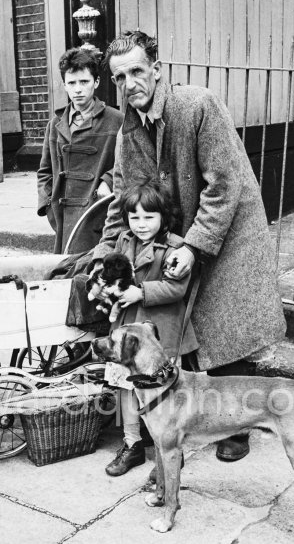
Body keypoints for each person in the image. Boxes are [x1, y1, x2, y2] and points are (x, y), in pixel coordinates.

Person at [93, 31, 287, 463]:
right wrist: (105, 255)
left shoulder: (197, 104)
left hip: (227, 229)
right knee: (186, 326)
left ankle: (238, 426)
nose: (130, 84)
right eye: (120, 77)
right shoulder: (128, 130)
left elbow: (225, 182)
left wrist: (196, 246)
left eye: (138, 71)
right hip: (175, 233)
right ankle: (189, 417)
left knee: (224, 327)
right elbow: (122, 196)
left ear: (157, 70)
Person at [102, 182, 198, 476]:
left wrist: (141, 292)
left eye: (148, 217)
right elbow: (115, 273)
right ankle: (132, 445)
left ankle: (168, 452)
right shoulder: (124, 241)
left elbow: (176, 288)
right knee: (125, 386)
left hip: (160, 333)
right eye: (134, 217)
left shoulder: (175, 248)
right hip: (128, 325)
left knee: (163, 393)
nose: (141, 225)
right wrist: (110, 291)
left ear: (163, 217)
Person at [37, 48, 123, 254]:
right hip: (62, 214)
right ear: (64, 85)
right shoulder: (55, 124)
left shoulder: (116, 120)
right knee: (65, 270)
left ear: (96, 83)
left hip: (97, 211)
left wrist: (108, 181)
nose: (78, 89)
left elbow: (128, 162)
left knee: (92, 268)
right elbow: (44, 171)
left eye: (84, 82)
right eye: (72, 83)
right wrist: (48, 203)